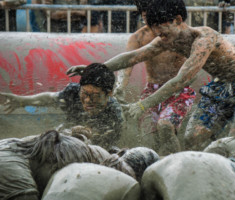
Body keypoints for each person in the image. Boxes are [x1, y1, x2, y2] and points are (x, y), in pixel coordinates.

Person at [69, 0, 196, 156]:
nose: (150, 22)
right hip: (152, 88)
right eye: (145, 17)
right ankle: (155, 160)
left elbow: (190, 71)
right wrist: (119, 85)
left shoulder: (178, 34)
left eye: (153, 17)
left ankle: (176, 162)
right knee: (148, 132)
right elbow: (127, 64)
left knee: (166, 126)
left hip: (178, 90)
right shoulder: (139, 37)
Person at [0, 63, 123, 149]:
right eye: (84, 93)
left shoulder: (114, 114)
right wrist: (21, 101)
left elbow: (101, 149)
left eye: (95, 96)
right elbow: (49, 98)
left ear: (109, 94)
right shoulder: (73, 92)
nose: (87, 100)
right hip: (64, 136)